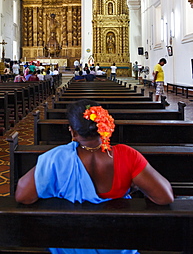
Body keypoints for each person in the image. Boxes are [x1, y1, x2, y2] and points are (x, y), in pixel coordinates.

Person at [15, 100, 174, 253]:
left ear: (73, 132)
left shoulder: (57, 158)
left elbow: (23, 195)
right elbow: (164, 196)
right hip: (116, 242)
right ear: (105, 126)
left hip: (69, 241)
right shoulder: (127, 155)